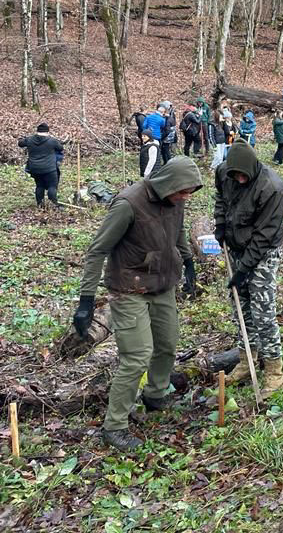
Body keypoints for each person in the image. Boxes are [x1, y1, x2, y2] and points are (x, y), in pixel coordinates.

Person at [73, 156, 202, 450]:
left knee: (167, 343)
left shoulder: (176, 199)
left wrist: (188, 262)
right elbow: (97, 250)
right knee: (137, 356)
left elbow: (178, 231)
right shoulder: (128, 204)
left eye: (189, 192)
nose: (185, 197)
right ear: (169, 184)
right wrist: (86, 300)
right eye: (183, 191)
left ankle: (155, 394)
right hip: (129, 287)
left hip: (162, 284)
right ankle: (115, 426)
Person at [215, 142, 283, 396]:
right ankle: (247, 360)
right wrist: (220, 224)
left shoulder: (273, 188)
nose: (239, 180)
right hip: (236, 247)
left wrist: (244, 269)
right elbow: (221, 199)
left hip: (263, 252)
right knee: (241, 306)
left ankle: (275, 372)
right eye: (235, 175)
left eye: (243, 176)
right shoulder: (224, 173)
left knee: (262, 310)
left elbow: (264, 236)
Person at [19, 123, 64, 207]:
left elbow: (20, 143)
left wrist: (22, 137)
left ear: (37, 131)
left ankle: (40, 204)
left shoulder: (29, 139)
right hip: (49, 169)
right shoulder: (52, 141)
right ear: (47, 132)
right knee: (52, 186)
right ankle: (53, 204)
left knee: (39, 186)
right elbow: (60, 148)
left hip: (35, 168)